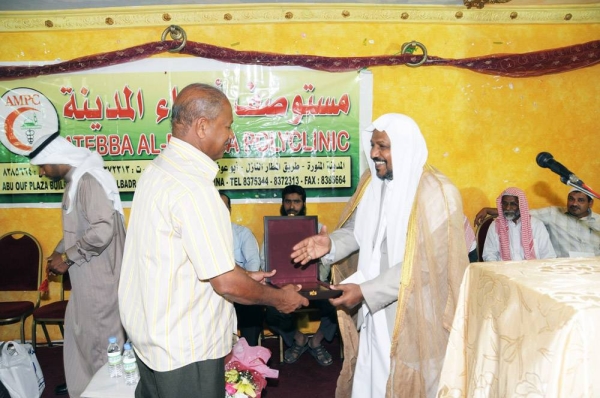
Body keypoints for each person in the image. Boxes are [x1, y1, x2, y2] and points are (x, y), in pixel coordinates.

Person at [118, 83, 308, 398]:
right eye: (228, 125)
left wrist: (244, 273)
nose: (231, 135)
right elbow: (226, 284)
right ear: (203, 126)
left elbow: (184, 254)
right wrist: (279, 298)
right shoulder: (195, 189)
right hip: (184, 348)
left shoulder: (157, 170)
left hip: (152, 337)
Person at [291, 113, 469, 397]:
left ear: (403, 146)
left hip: (415, 312)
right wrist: (330, 245)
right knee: (373, 377)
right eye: (373, 145)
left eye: (382, 146)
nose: (374, 154)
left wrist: (365, 291)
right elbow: (357, 232)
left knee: (411, 383)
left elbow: (424, 265)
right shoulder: (373, 183)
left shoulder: (437, 193)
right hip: (373, 308)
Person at [30, 135, 126, 398]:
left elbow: (102, 231)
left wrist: (68, 256)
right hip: (88, 281)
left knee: (100, 346)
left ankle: (105, 392)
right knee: (82, 338)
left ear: (57, 158)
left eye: (43, 165)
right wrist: (59, 251)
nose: (41, 171)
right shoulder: (78, 180)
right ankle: (86, 389)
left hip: (100, 283)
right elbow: (81, 228)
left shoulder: (89, 181)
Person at [261, 185, 338, 366]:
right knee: (270, 310)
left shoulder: (316, 228)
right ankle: (299, 338)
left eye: (296, 201)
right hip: (283, 285)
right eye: (288, 201)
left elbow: (326, 260)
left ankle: (316, 340)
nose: (292, 206)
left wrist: (318, 281)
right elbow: (264, 260)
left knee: (338, 305)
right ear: (283, 203)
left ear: (303, 204)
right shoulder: (273, 228)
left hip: (313, 283)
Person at [475, 188, 600, 258]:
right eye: (571, 199)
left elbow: (520, 210)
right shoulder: (553, 213)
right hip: (563, 270)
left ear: (590, 203)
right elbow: (520, 212)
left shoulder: (599, 221)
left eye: (581, 200)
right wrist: (490, 210)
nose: (574, 204)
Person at [219, 191, 263, 346]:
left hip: (239, 288)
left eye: (224, 207)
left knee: (252, 303)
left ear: (230, 210)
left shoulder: (242, 233)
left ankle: (248, 355)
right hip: (214, 293)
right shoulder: (199, 235)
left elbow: (253, 262)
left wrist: (242, 284)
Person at [482, 187, 556, 261]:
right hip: (504, 271)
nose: (508, 208)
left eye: (513, 204)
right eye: (505, 204)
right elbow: (489, 254)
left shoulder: (536, 225)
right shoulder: (495, 226)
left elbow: (548, 255)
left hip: (531, 270)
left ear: (521, 205)